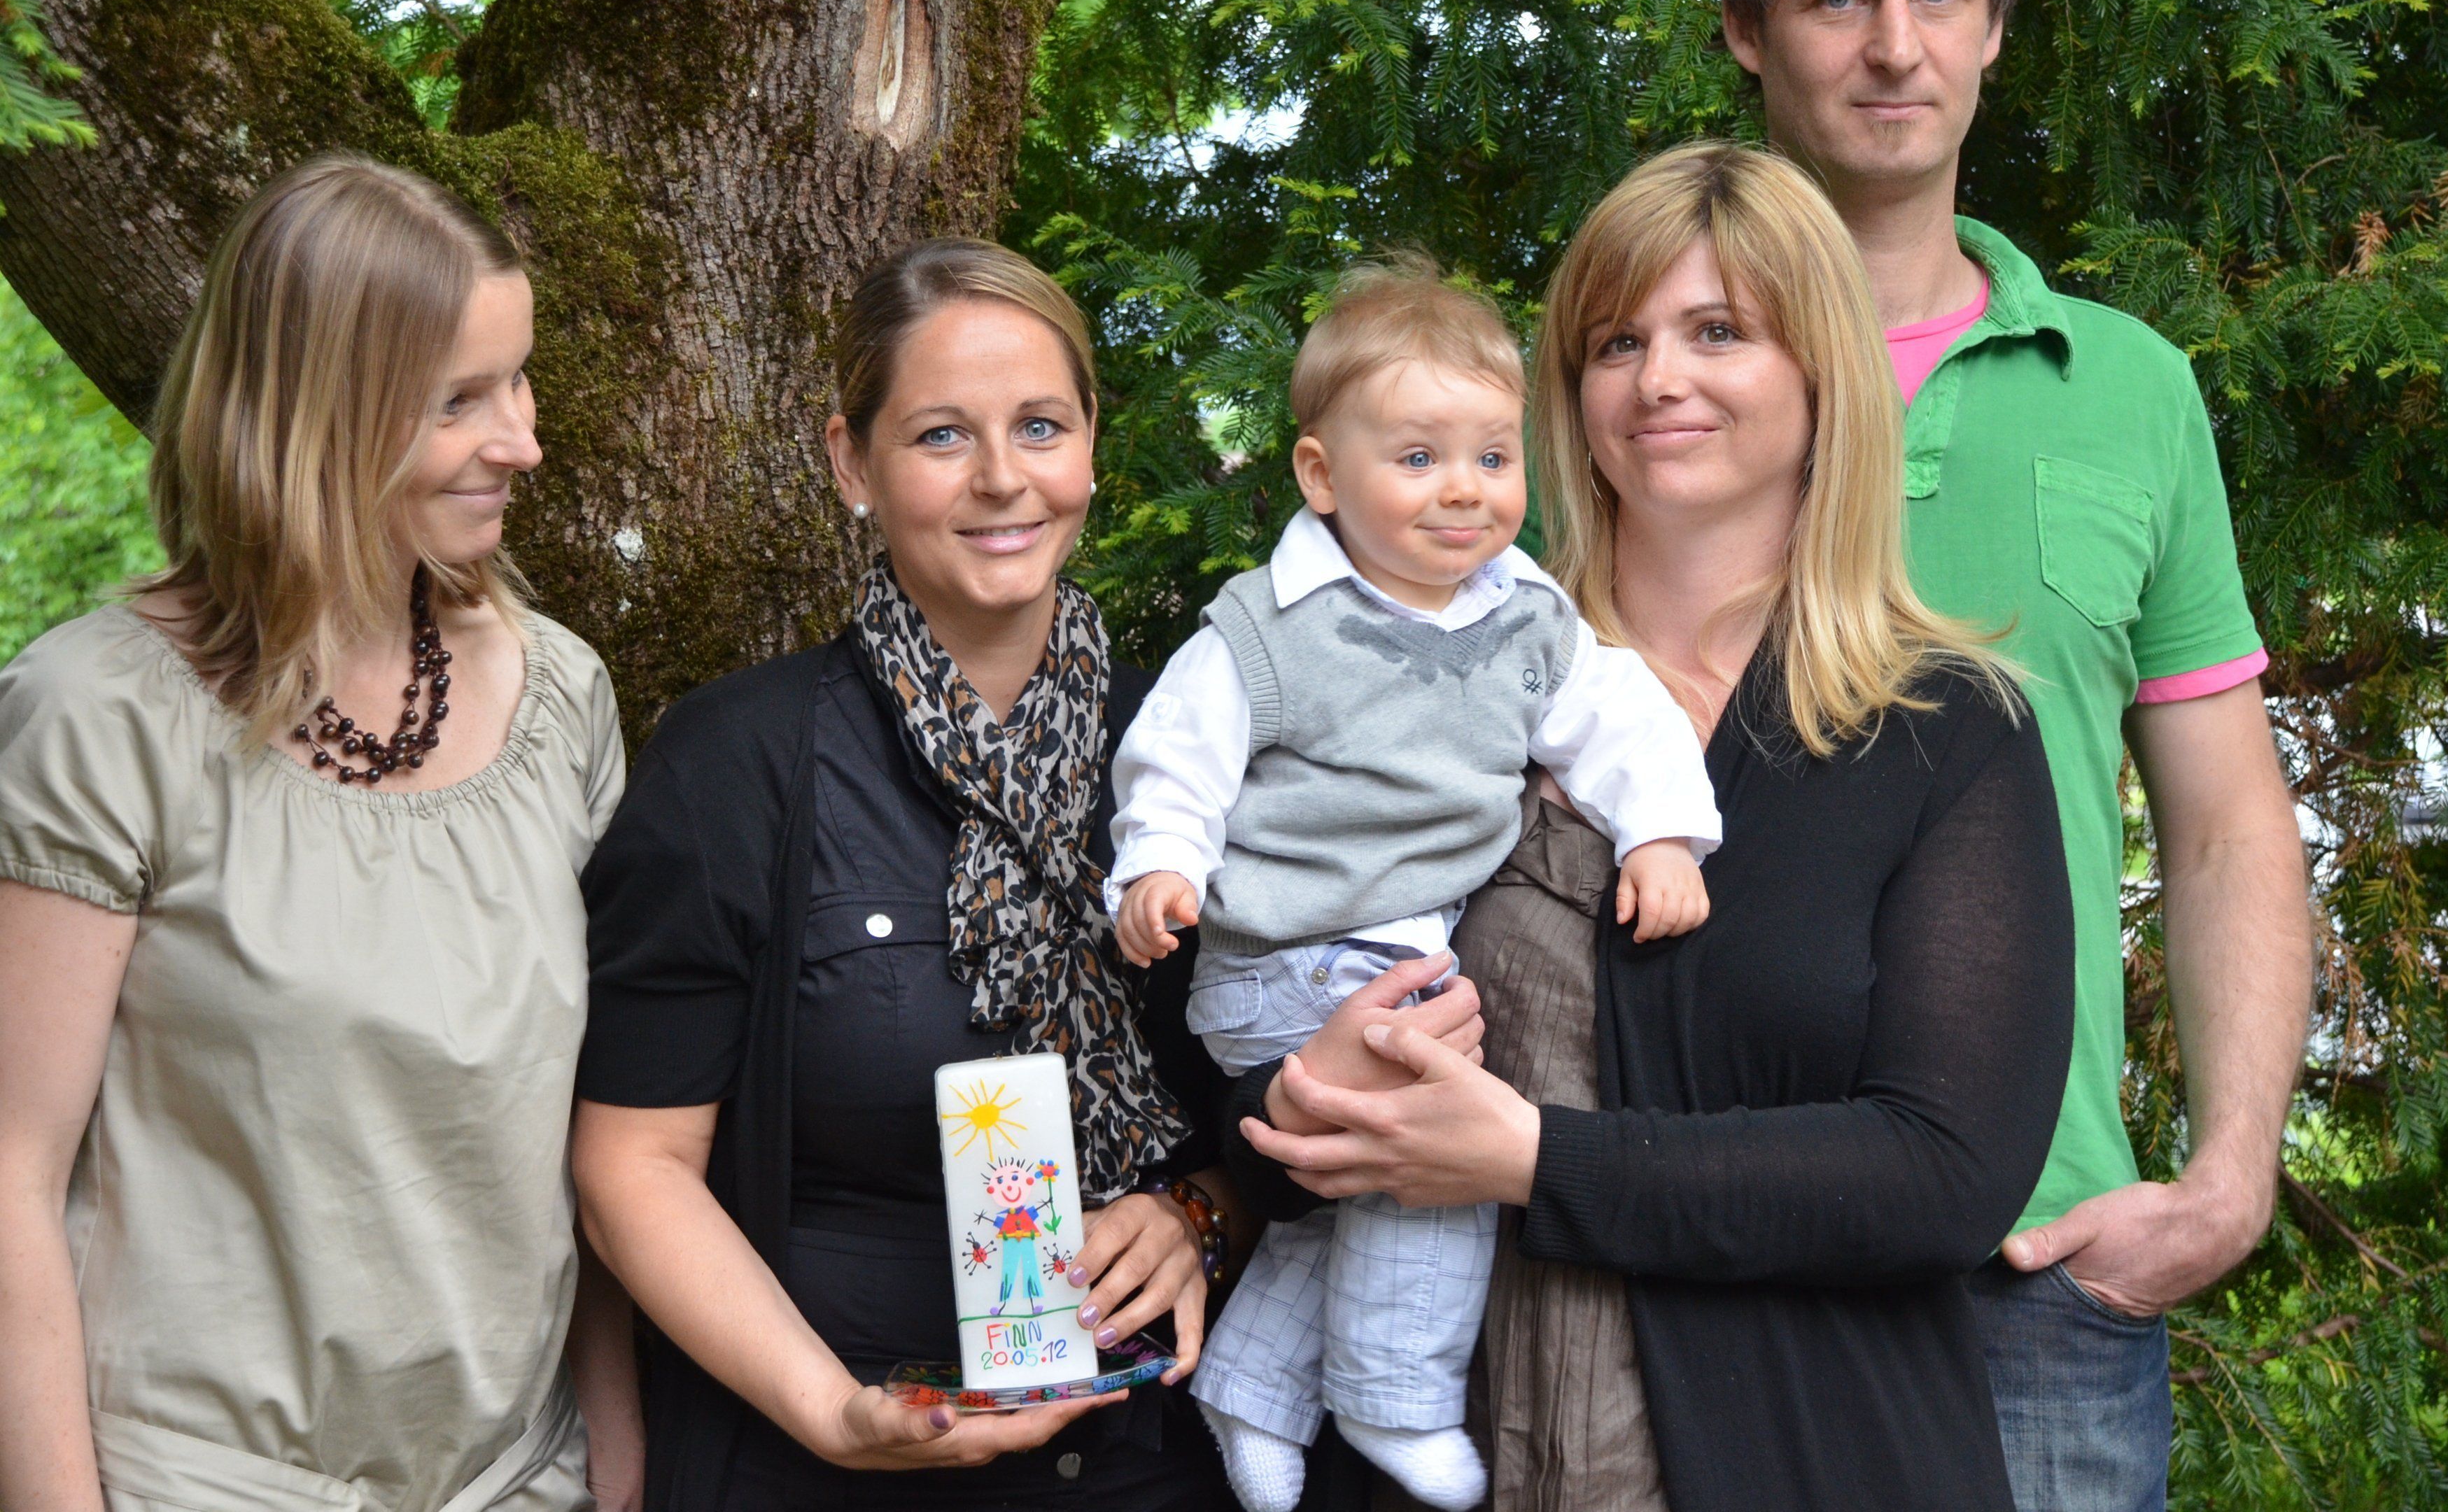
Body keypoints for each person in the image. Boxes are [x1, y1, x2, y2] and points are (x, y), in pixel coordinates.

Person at [564, 237, 1488, 1512]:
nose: (1003, 478)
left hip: (1150, 1465)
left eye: (1041, 426)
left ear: (1091, 449)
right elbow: (631, 1169)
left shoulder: (1203, 748)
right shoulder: (742, 762)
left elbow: (1263, 1099)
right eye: (942, 435)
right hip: (824, 1461)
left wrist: (1200, 1213)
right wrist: (831, 1412)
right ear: (853, 464)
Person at [1232, 141, 2078, 1509]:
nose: (1659, 379)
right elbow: (1241, 1026)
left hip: (1811, 1459)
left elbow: (1946, 1173)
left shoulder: (1946, 730)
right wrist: (1293, 1100)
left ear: (1822, 371)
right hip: (1436, 1451)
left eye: (1719, 332)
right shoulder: (1413, 674)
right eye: (1617, 342)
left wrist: (1541, 1164)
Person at [1715, 0, 2314, 1505]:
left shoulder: (2130, 388)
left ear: (1992, 28)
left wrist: (2230, 1177)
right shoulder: (1642, 379)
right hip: (1692, 1234)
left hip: (2041, 1259)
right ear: (1750, 32)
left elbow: (2225, 824)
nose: (1895, 47)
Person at [0, 154, 635, 1512]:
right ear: (312, 416)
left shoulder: (562, 697)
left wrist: (616, 1441)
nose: (522, 441)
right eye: (459, 401)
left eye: (517, 382)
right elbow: (11, 1175)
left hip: (519, 1481)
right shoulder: (99, 717)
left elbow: (596, 1133)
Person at [1106, 262, 1720, 1512]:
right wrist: (1162, 860)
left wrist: (1661, 836)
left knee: (1354, 1186)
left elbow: (1622, 720)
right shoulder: (1273, 626)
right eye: (1420, 458)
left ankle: (1255, 1387)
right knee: (1437, 1128)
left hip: (1390, 950)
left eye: (1493, 457)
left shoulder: (1526, 618)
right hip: (1285, 955)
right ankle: (1395, 1392)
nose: (1464, 490)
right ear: (1322, 476)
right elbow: (1180, 749)